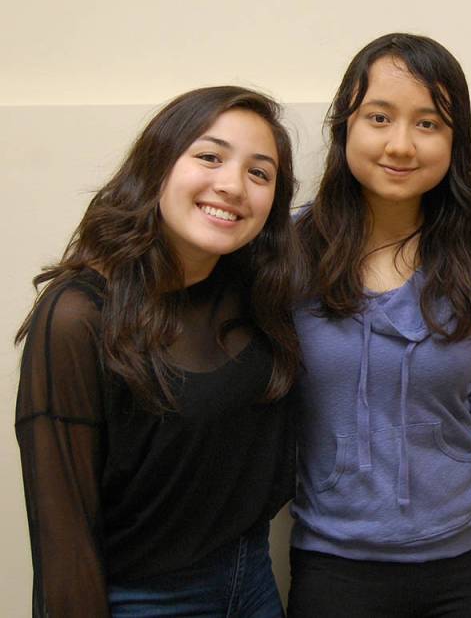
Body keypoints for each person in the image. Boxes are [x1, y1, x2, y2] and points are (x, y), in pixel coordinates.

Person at [287, 33, 471, 618]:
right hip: (334, 563)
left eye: (428, 123)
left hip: (470, 558)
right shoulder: (289, 253)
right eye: (379, 118)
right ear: (345, 127)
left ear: (454, 139)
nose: (401, 145)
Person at [15, 86, 301, 616]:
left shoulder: (256, 291)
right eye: (210, 156)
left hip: (253, 579)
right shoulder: (79, 316)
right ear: (159, 164)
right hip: (144, 599)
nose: (234, 186)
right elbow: (63, 534)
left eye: (260, 173)